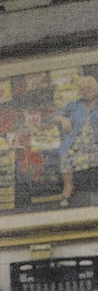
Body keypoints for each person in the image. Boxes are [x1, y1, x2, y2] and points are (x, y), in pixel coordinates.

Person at [56, 73, 98, 208]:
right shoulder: (74, 105)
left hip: (95, 143)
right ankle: (68, 188)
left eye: (88, 88)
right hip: (76, 142)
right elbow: (56, 116)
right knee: (66, 155)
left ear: (95, 89)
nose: (85, 91)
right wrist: (63, 119)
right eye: (82, 89)